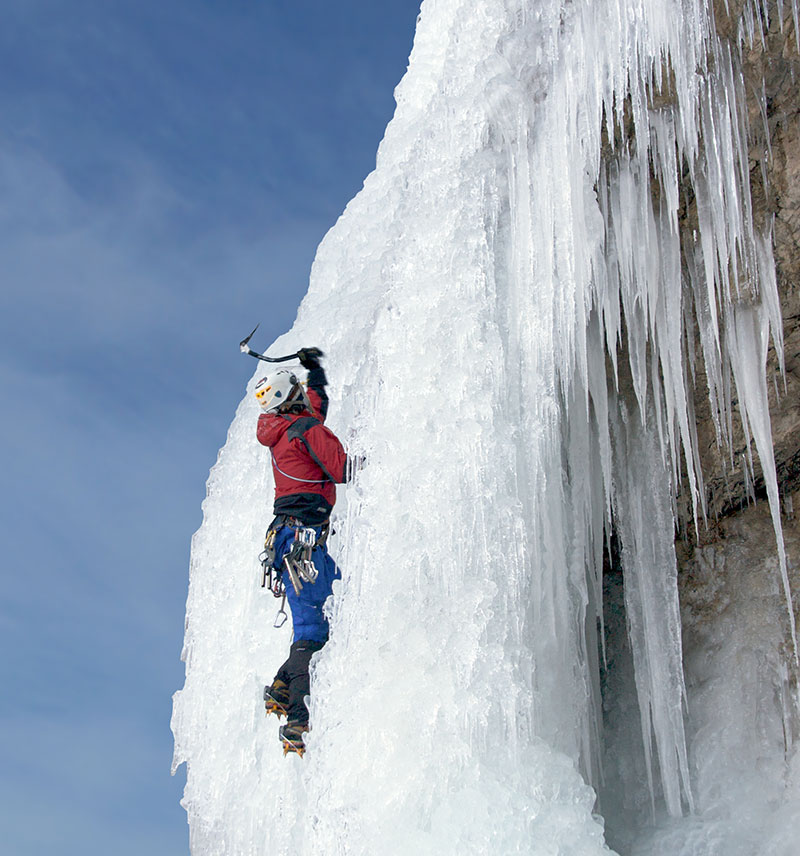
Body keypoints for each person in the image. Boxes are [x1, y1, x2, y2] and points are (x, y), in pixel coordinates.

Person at [256, 347, 348, 756]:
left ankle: (281, 685)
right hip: (304, 544)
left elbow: (316, 410)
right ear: (290, 397)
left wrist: (314, 372)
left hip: (290, 543)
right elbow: (343, 468)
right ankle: (297, 718)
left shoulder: (285, 429)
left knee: (320, 618)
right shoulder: (304, 431)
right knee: (314, 631)